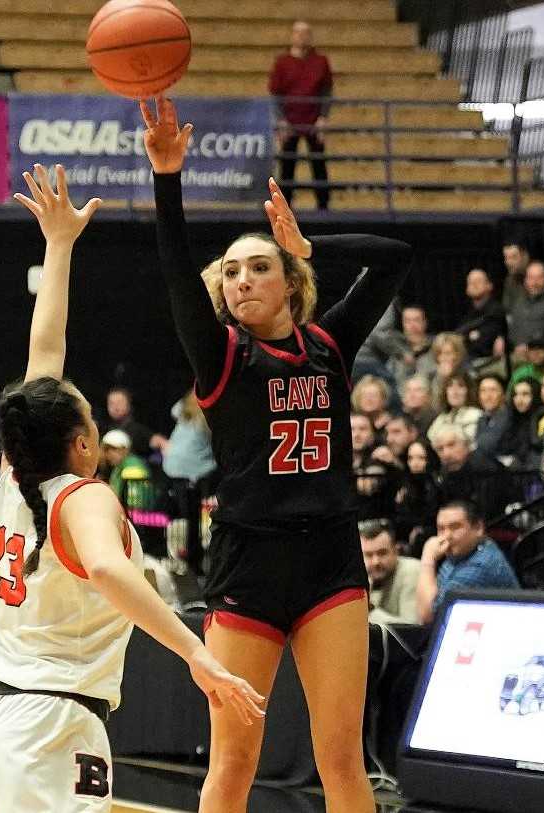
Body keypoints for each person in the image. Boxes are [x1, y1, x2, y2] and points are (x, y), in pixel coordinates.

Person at [0, 163, 263, 813]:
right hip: (49, 727)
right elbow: (103, 566)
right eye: (88, 415)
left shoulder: (19, 477)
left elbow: (44, 354)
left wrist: (59, 246)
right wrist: (195, 653)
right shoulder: (84, 494)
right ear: (81, 442)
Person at [142, 96, 411, 812]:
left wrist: (308, 240)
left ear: (288, 282)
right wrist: (167, 177)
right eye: (231, 273)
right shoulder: (222, 355)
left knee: (341, 759)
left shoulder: (328, 345)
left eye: (258, 267)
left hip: (329, 560)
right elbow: (175, 274)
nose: (241, 281)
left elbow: (393, 261)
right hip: (247, 564)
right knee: (233, 759)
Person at [415, 501, 519, 625]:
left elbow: (429, 617)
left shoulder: (482, 565)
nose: (447, 536)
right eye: (441, 529)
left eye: (455, 527)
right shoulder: (461, 552)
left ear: (478, 528)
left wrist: (428, 559)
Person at [269, 20, 333, 210]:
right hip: (289, 121)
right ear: (292, 36)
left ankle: (324, 207)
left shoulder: (321, 62)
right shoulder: (282, 63)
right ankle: (284, 208)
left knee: (318, 164)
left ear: (311, 37)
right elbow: (275, 94)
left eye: (306, 33)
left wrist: (323, 117)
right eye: (298, 33)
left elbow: (327, 92)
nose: (302, 36)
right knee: (287, 167)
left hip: (314, 120)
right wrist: (280, 120)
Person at [360, 518, 420, 625]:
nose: (376, 562)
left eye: (382, 553)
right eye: (368, 555)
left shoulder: (412, 570)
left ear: (396, 551)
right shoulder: (363, 575)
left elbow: (411, 628)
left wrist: (369, 609)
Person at [507, 261, 544, 354]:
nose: (534, 282)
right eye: (531, 278)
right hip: (518, 354)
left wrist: (535, 346)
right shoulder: (518, 302)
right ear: (525, 280)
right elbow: (512, 329)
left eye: (539, 278)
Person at [457, 268, 507, 363]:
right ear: (467, 289)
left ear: (489, 285)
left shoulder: (496, 310)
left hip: (489, 361)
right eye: (471, 282)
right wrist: (469, 337)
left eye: (478, 281)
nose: (474, 285)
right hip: (467, 361)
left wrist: (467, 337)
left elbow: (483, 344)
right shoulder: (465, 311)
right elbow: (457, 336)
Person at [495, 377, 544, 469]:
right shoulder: (511, 418)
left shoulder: (542, 417)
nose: (519, 399)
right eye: (515, 395)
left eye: (525, 394)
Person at [103, 385, 162, 459]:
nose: (115, 407)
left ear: (129, 405)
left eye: (119, 402)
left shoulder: (139, 430)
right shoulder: (104, 430)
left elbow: (160, 442)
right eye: (111, 403)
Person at [426, 372, 482, 445]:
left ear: (468, 391)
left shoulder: (477, 416)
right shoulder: (441, 419)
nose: (455, 391)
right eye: (450, 386)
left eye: (460, 386)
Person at [474, 374, 509, 455]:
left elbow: (486, 446)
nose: (487, 396)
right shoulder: (482, 419)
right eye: (483, 391)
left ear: (503, 394)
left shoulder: (510, 418)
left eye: (493, 390)